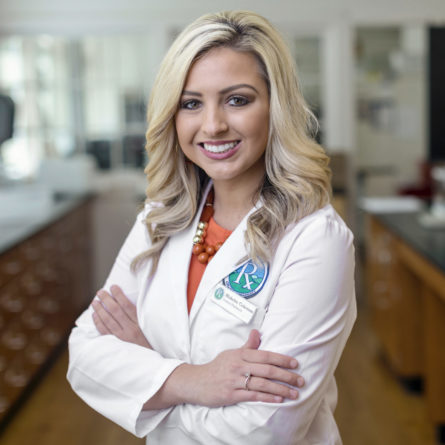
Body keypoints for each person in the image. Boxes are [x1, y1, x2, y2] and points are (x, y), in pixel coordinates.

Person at [67, 10, 356, 445]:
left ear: (275, 107)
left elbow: (267, 430)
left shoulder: (316, 238)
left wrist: (147, 380)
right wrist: (190, 380)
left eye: (237, 99)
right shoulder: (160, 219)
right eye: (191, 103)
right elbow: (84, 354)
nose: (213, 125)